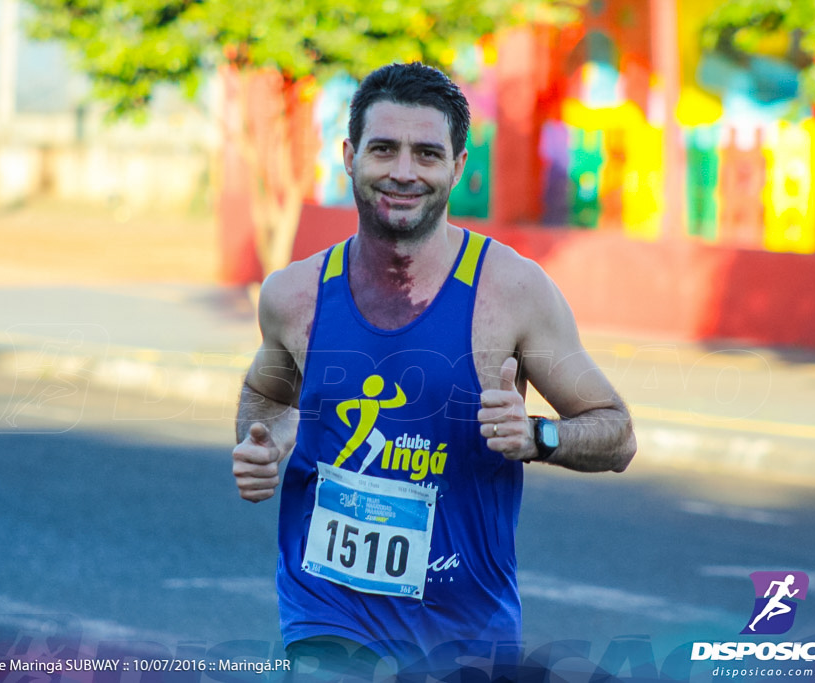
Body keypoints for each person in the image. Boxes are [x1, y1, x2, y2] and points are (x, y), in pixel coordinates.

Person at [232, 62, 636, 679]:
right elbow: (267, 392)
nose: (402, 172)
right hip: (326, 615)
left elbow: (616, 432)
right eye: (384, 149)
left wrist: (537, 437)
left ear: (457, 166)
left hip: (466, 634)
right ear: (348, 156)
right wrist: (263, 443)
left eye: (426, 153)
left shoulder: (513, 292)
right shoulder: (294, 296)